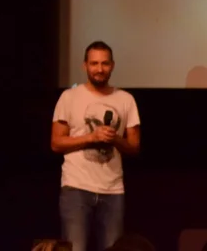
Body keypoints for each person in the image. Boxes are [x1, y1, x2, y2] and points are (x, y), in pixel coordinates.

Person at [51, 42, 141, 251]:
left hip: (113, 190)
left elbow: (134, 146)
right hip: (76, 188)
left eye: (104, 64)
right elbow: (56, 142)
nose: (99, 69)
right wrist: (91, 137)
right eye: (94, 63)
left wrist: (115, 139)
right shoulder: (69, 97)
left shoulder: (126, 100)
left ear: (112, 65)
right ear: (85, 65)